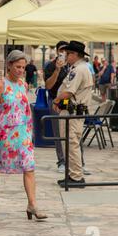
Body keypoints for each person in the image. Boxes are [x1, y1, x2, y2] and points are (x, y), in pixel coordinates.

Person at [0, 50, 47, 220]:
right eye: (18, 67)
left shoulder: (24, 85)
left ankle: (32, 204)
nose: (21, 70)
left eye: (23, 67)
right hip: (2, 135)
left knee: (29, 167)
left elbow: (23, 109)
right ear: (9, 65)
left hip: (23, 135)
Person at [53, 41, 93, 188]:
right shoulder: (79, 68)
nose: (66, 56)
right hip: (72, 111)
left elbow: (69, 91)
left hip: (73, 112)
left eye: (68, 53)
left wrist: (56, 101)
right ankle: (72, 174)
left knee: (71, 144)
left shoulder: (79, 69)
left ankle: (76, 177)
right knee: (70, 144)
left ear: (75, 54)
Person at [44, 41, 70, 173]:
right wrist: (57, 69)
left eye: (67, 50)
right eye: (62, 50)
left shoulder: (72, 66)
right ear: (57, 51)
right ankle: (61, 161)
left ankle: (78, 161)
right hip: (55, 101)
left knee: (74, 132)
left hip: (69, 102)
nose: (64, 53)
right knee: (58, 133)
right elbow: (48, 86)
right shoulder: (50, 66)